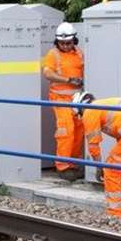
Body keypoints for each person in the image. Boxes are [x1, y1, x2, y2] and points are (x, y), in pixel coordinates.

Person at [41, 22, 84, 175]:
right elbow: (47, 73)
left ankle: (74, 164)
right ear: (57, 42)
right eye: (62, 43)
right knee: (66, 130)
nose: (65, 46)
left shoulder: (79, 53)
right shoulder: (53, 54)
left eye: (68, 43)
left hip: (77, 99)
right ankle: (63, 166)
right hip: (59, 98)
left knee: (79, 130)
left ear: (74, 41)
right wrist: (68, 80)